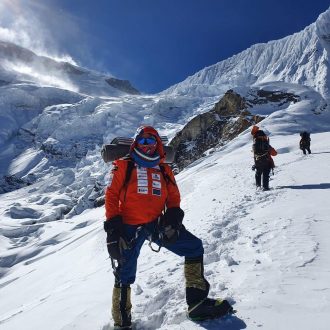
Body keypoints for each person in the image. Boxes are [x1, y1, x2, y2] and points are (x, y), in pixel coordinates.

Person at [104, 125, 233, 329]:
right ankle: (122, 322)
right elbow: (111, 196)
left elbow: (173, 195)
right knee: (124, 271)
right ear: (137, 143)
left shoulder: (164, 169)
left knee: (193, 247)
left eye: (151, 141)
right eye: (143, 141)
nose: (147, 145)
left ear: (157, 144)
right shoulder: (124, 165)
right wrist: (113, 229)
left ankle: (197, 303)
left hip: (158, 224)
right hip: (128, 227)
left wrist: (173, 216)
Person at [251, 125, 277, 191]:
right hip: (267, 162)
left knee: (258, 174)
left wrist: (255, 128)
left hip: (257, 162)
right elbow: (274, 153)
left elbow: (253, 133)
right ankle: (265, 187)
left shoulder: (255, 144)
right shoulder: (266, 144)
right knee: (265, 174)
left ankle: (258, 186)